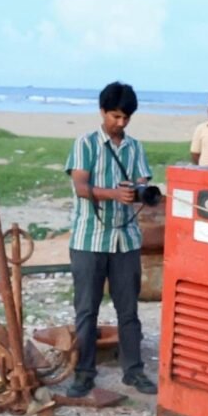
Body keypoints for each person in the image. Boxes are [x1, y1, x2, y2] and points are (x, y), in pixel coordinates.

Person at [65, 81, 158, 397]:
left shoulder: (135, 148)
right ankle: (83, 373)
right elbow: (80, 187)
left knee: (128, 310)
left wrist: (138, 192)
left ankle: (134, 371)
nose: (120, 123)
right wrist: (114, 194)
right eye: (115, 116)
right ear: (102, 111)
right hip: (89, 239)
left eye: (126, 118)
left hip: (126, 240)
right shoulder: (86, 144)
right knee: (87, 309)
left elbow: (143, 184)